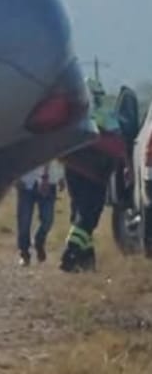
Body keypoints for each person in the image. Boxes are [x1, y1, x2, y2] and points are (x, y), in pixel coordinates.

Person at [59, 77, 128, 272]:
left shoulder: (74, 116)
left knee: (80, 214)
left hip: (72, 169)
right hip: (95, 174)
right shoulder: (104, 114)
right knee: (88, 217)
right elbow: (119, 144)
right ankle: (70, 253)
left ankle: (86, 261)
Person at [15, 160, 63, 266]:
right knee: (24, 220)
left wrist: (61, 176)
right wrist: (16, 176)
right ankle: (24, 253)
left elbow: (60, 156)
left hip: (50, 181)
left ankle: (39, 241)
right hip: (27, 181)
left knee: (48, 220)